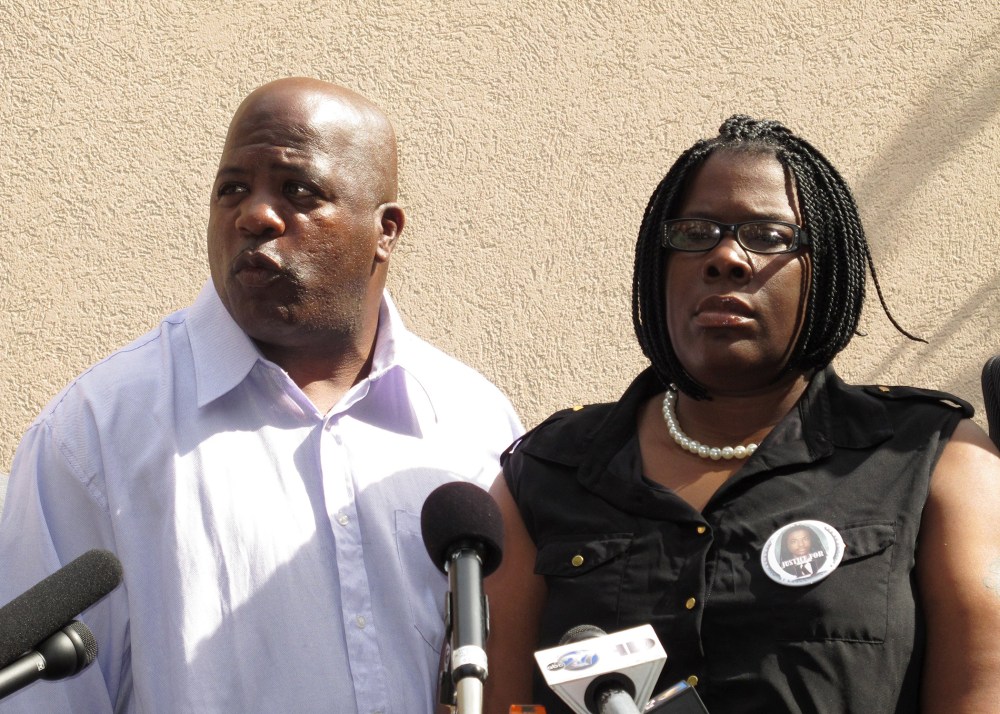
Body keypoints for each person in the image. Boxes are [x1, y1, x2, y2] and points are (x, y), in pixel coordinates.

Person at [0, 78, 523, 713]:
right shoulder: (94, 434)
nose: (254, 216)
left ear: (385, 231)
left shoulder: (474, 422)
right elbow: (44, 700)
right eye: (232, 190)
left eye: (298, 191)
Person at [484, 116, 1000, 713]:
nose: (726, 257)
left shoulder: (933, 459)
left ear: (825, 269)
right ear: (658, 265)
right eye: (697, 231)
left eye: (770, 236)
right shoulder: (547, 471)